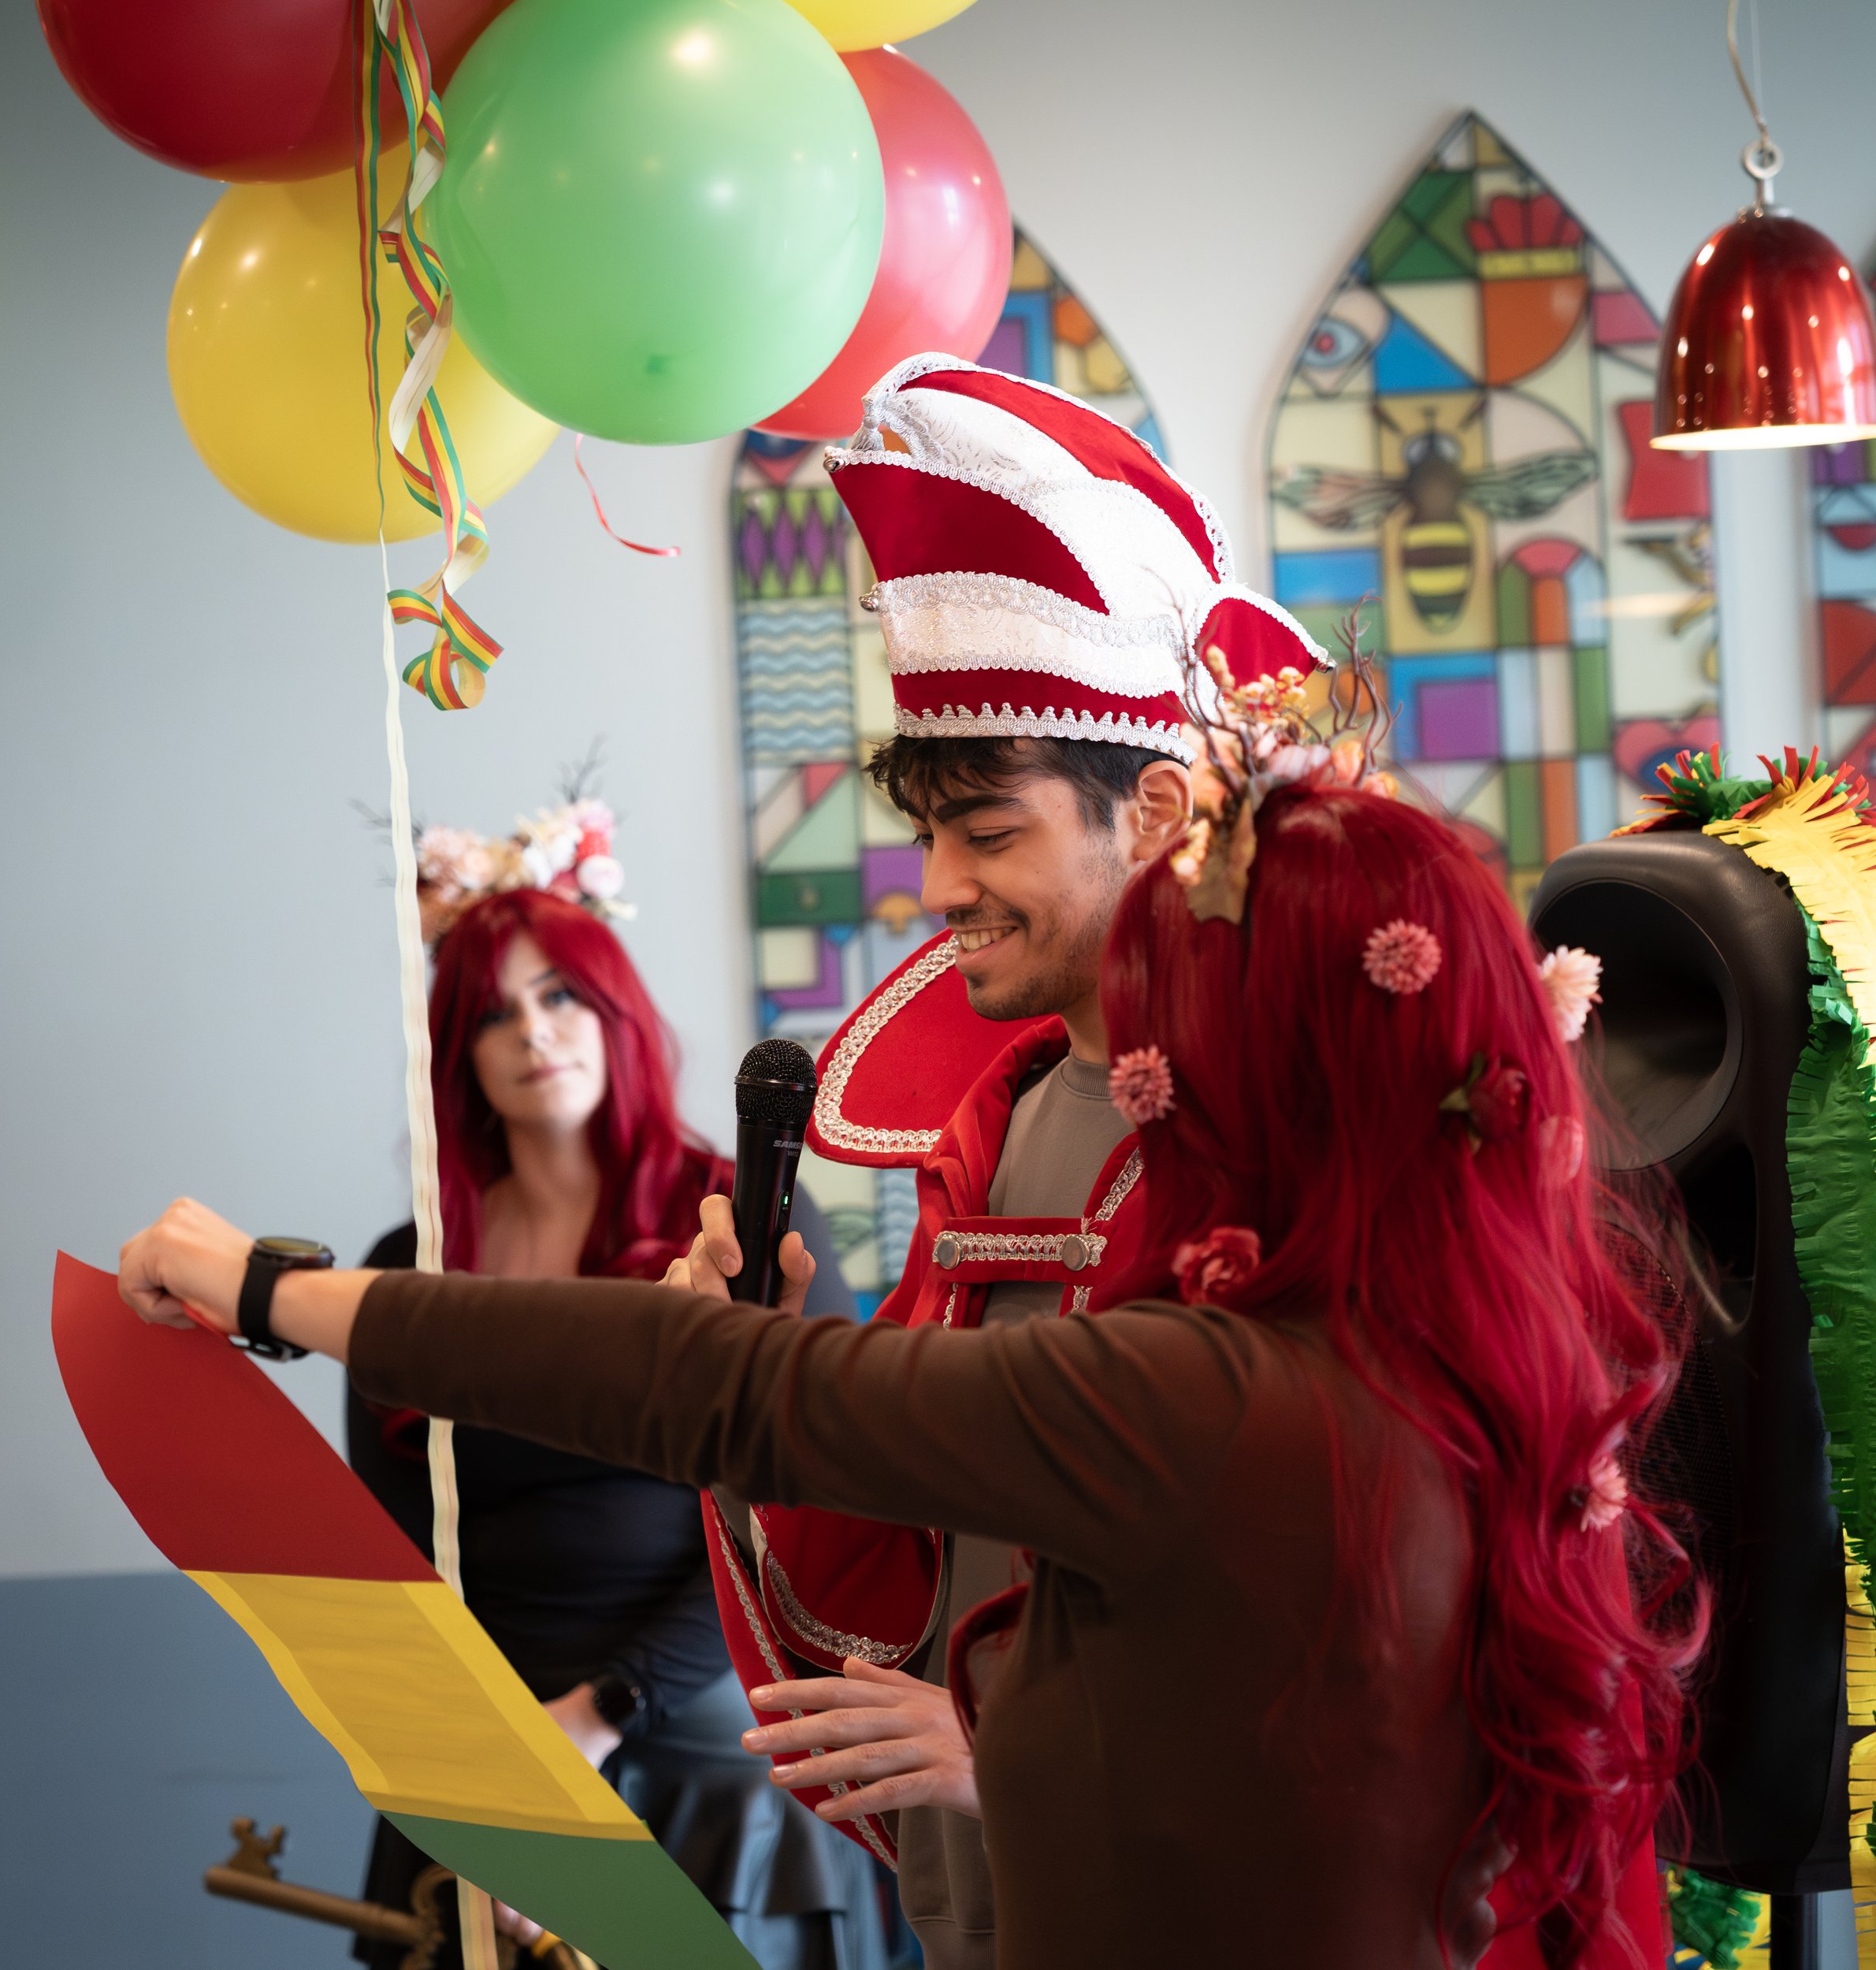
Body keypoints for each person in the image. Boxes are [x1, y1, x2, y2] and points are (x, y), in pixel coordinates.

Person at [117, 704, 1700, 1968]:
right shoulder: (1431, 1363)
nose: (1138, 1067)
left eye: (1177, 1011)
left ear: (1279, 1055)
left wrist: (270, 1290)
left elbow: (725, 1387)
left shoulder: (1217, 1392)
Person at [695, 351, 1329, 1963]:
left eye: (987, 834)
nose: (936, 888)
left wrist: (1005, 1750)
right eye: (931, 836)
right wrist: (762, 1367)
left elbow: (1345, 1586)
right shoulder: (998, 1120)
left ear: (1157, 810)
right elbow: (930, 1538)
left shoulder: (1302, 1122)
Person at [348, 805, 884, 1970]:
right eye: (494, 1013)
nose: (534, 1033)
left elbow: (802, 1516)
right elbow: (391, 1555)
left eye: (560, 996)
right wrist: (488, 1765)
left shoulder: (743, 1224)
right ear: (456, 1052)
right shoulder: (406, 1266)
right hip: (482, 1736)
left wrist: (600, 1715)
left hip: (702, 1707)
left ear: (616, 1012)